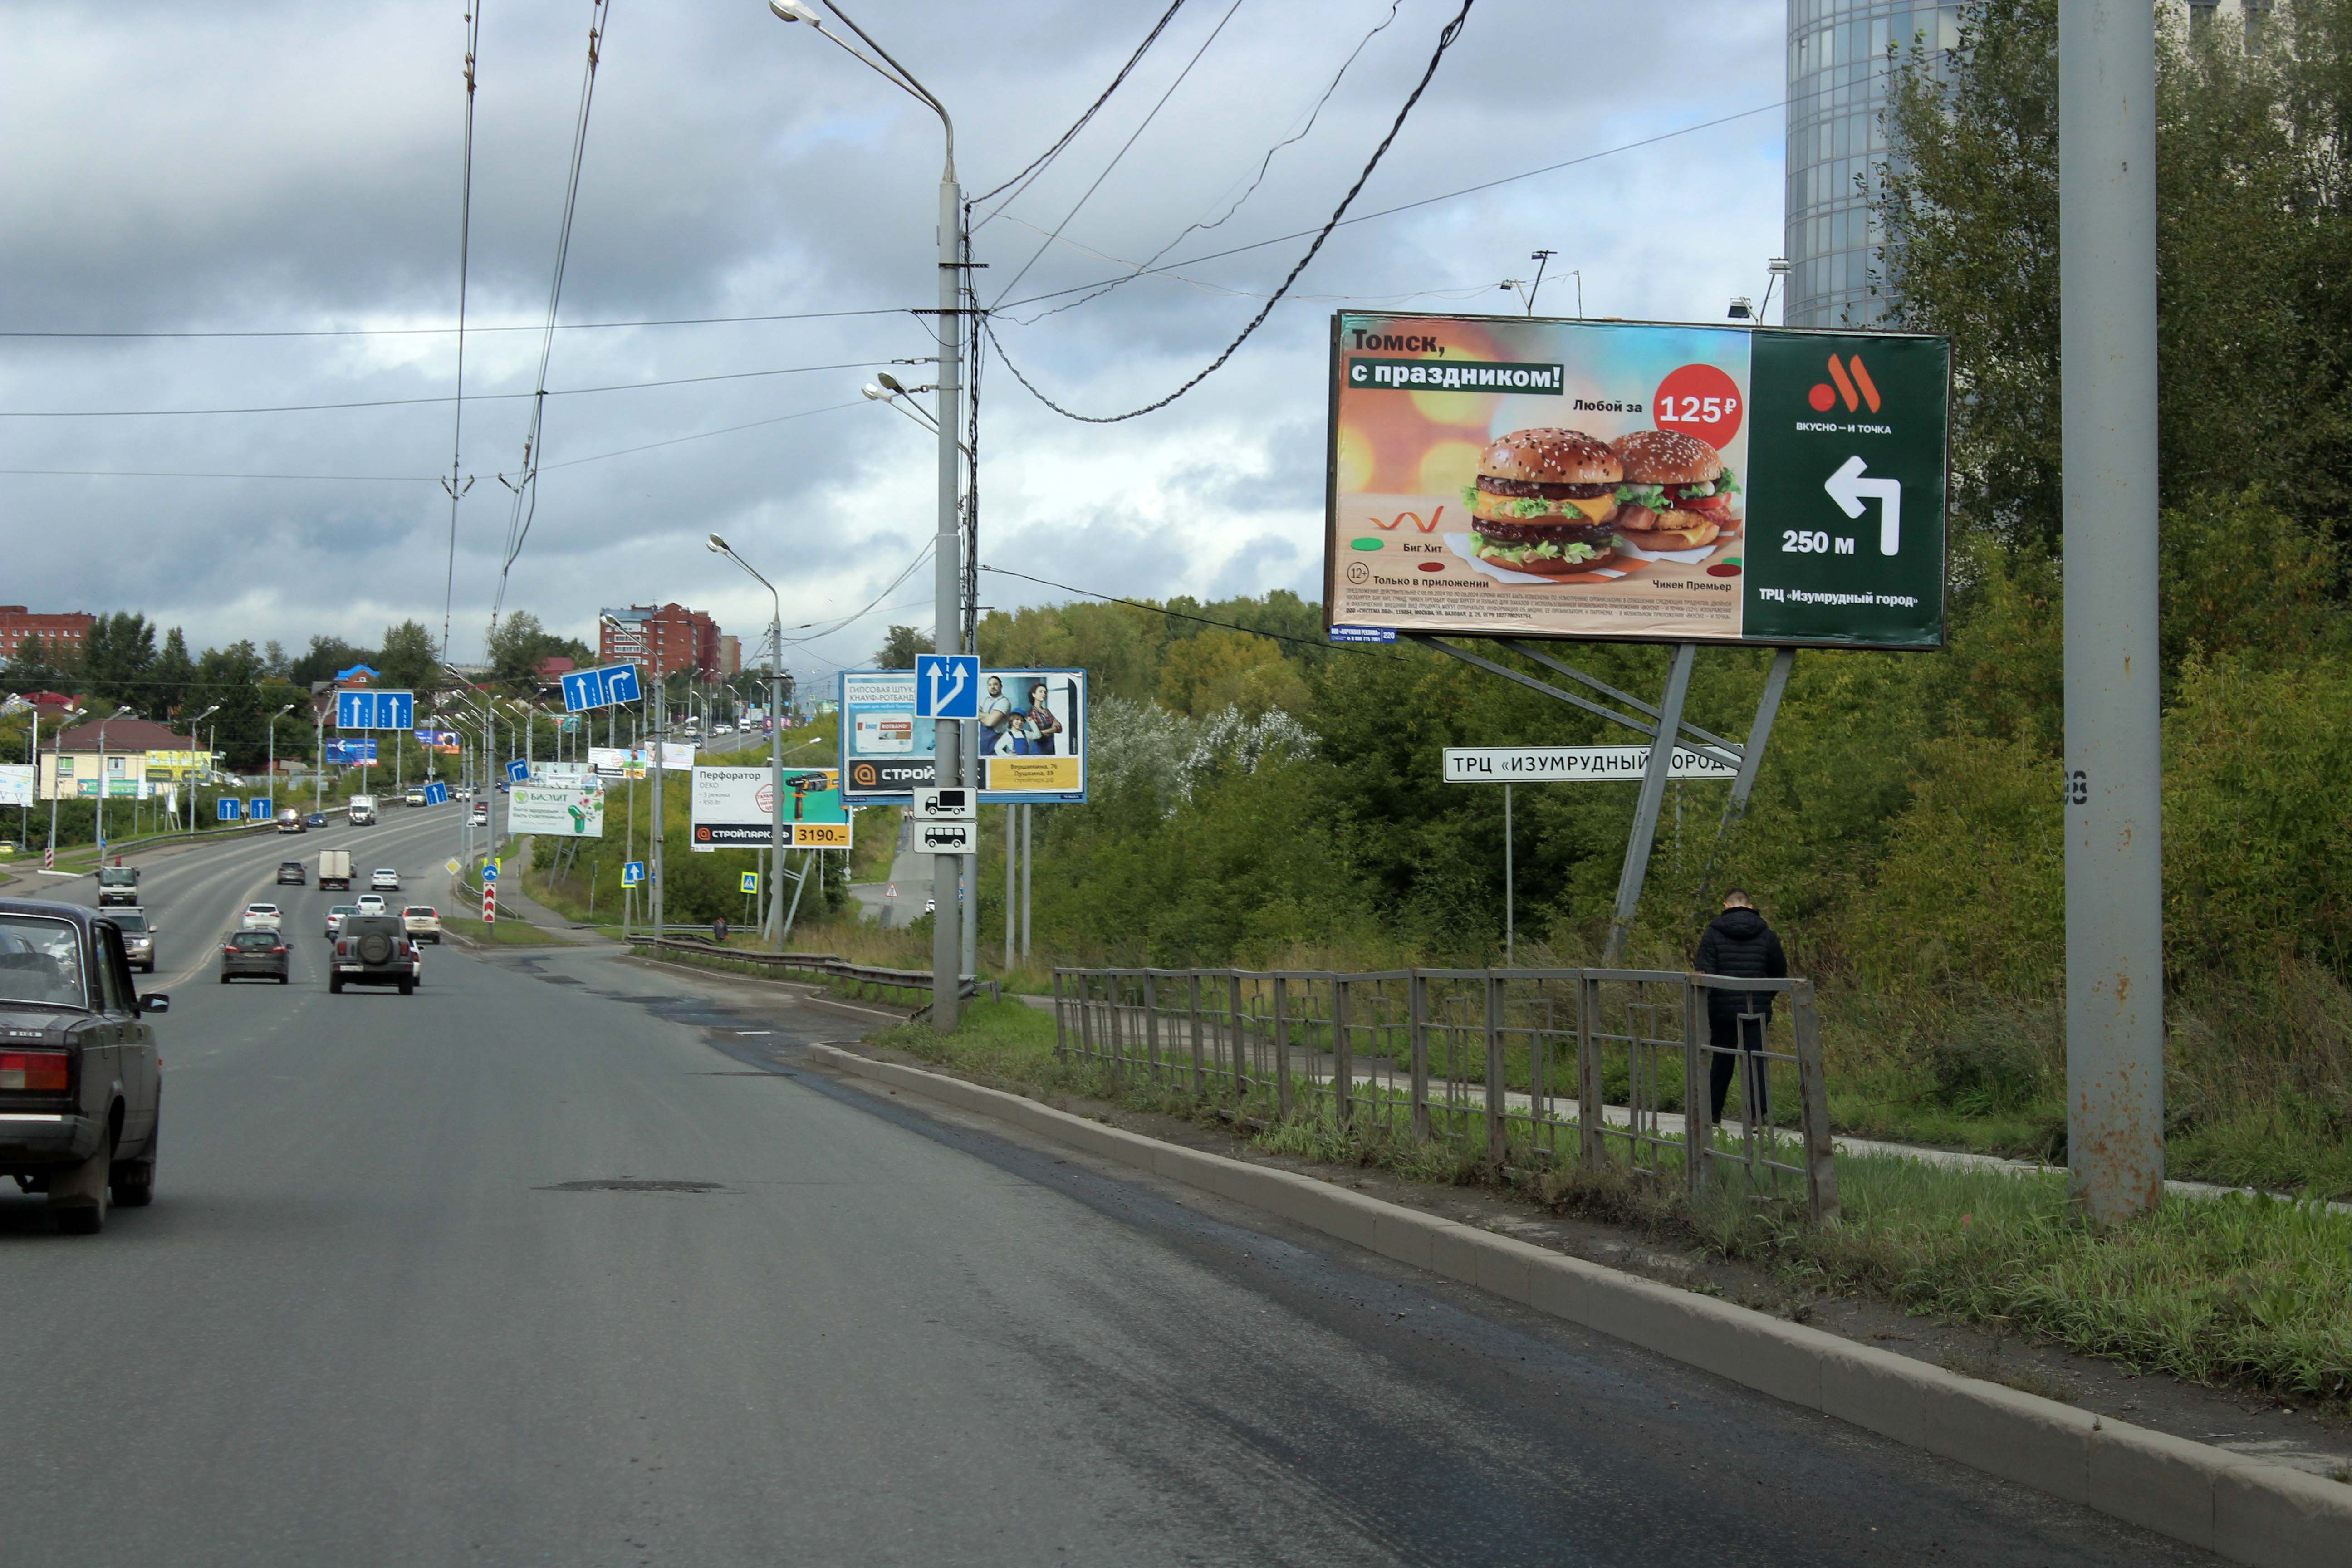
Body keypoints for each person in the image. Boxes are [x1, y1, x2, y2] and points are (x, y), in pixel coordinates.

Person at [1693, 888, 1788, 1126]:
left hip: (1723, 1011)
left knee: (1722, 1059)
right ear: (1750, 905)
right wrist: (1766, 998)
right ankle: (1757, 1116)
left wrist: (1710, 1007)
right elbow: (1779, 972)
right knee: (1756, 1059)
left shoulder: (1712, 934)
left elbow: (1704, 973)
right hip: (1756, 1009)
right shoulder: (1767, 935)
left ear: (1726, 906)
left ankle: (1712, 1114)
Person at [1019, 680, 1063, 756]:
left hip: (1051, 750)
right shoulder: (1032, 713)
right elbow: (1037, 737)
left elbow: (1059, 728)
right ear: (1034, 694)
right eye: (1041, 692)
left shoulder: (1047, 712)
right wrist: (1053, 729)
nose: (1044, 694)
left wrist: (1042, 732)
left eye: (1045, 692)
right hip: (1039, 751)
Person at [977, 676, 1013, 757]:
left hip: (997, 745)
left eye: (996, 684)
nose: (992, 687)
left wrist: (980, 715)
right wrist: (987, 716)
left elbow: (990, 722)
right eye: (990, 685)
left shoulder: (1004, 702)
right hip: (984, 746)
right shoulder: (986, 700)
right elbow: (975, 711)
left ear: (1001, 686)